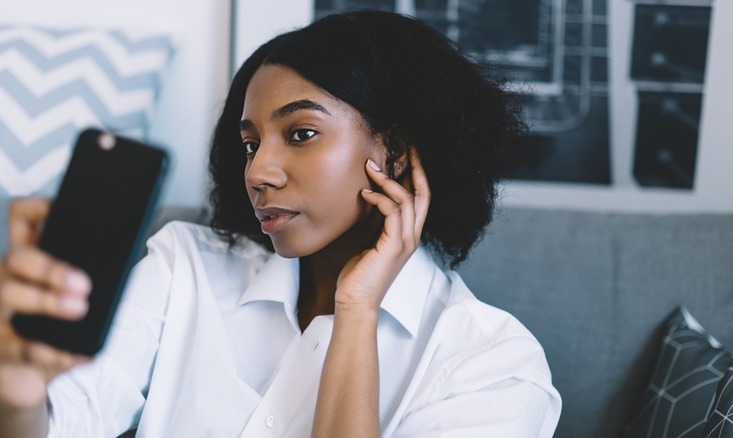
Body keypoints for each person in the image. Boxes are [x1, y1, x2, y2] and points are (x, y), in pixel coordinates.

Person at [0, 10, 561, 437]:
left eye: (300, 134)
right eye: (250, 144)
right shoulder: (183, 267)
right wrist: (19, 390)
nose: (259, 172)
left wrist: (357, 313)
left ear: (391, 153)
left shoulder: (493, 364)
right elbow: (61, 421)